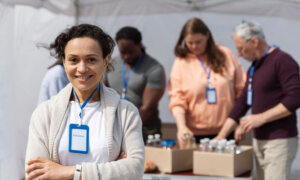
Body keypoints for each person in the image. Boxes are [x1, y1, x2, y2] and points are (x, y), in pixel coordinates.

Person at [25, 24, 145, 180]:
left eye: (91, 60)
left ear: (106, 61)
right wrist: (111, 171)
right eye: (73, 60)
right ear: (64, 62)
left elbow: (134, 170)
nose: (82, 68)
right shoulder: (44, 114)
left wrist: (66, 172)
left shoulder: (126, 113)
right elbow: (35, 175)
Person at [215, 21, 300, 180]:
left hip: (279, 141)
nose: (238, 54)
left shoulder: (283, 61)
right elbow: (242, 104)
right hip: (259, 141)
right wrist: (221, 135)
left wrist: (260, 118)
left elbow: (295, 98)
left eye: (240, 48)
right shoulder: (254, 68)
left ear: (254, 41)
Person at [168, 17, 246, 148]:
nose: (194, 47)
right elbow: (177, 100)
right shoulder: (181, 62)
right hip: (194, 135)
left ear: (207, 36)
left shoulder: (225, 54)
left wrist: (239, 122)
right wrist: (181, 127)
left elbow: (241, 92)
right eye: (189, 43)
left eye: (198, 42)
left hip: (227, 132)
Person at [103, 26, 166, 143]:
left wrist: (124, 130)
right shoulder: (110, 65)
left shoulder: (154, 68)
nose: (127, 56)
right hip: (113, 127)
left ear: (140, 45)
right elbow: (100, 94)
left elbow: (148, 108)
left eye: (131, 52)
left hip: (144, 129)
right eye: (123, 52)